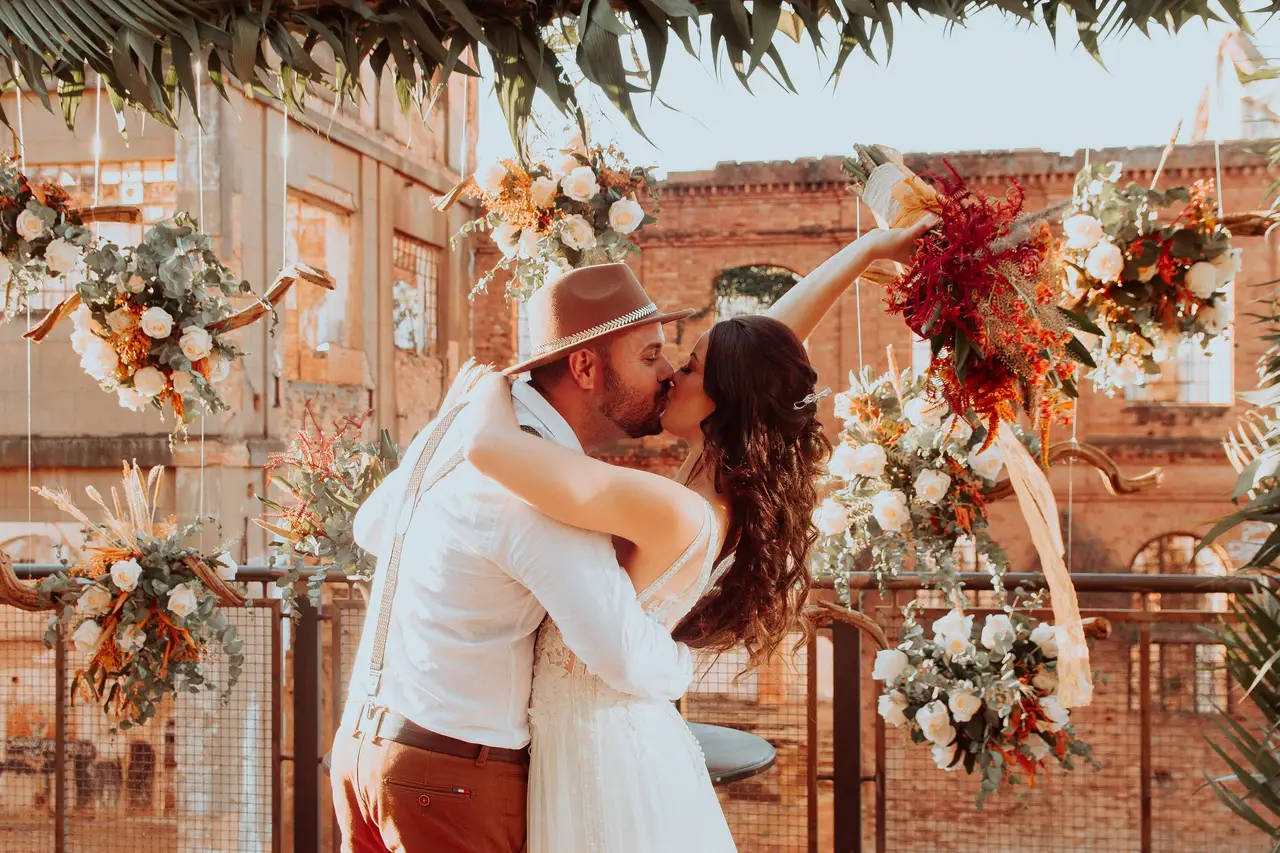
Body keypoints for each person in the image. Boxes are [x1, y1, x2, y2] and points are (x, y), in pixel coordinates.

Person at [460, 218, 934, 853]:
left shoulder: (672, 508)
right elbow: (767, 348)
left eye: (687, 367)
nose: (668, 375)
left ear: (721, 397)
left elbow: (488, 446)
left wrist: (494, 382)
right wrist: (865, 251)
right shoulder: (714, 489)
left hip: (600, 755)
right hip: (605, 737)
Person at [330, 264, 698, 853]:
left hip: (360, 754)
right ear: (585, 366)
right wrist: (687, 661)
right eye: (650, 354)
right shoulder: (536, 477)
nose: (667, 374)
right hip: (448, 779)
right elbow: (621, 656)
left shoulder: (464, 422)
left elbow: (371, 526)